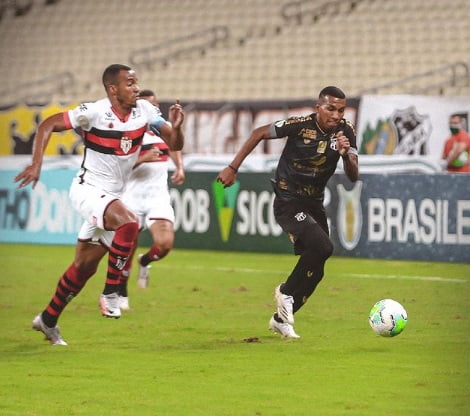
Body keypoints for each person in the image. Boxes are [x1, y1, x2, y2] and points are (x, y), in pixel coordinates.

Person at [14, 64, 184, 345]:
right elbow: (47, 125)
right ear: (113, 89)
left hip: (113, 197)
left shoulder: (145, 111)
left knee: (84, 267)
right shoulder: (93, 112)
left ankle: (47, 319)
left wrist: (176, 128)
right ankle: (111, 293)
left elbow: (175, 143)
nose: (136, 88)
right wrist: (36, 164)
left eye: (136, 82)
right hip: (88, 190)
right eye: (130, 83)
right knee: (129, 222)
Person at [216, 86, 359, 339]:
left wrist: (346, 155)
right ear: (318, 107)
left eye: (341, 110)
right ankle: (285, 291)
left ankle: (280, 320)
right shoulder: (300, 125)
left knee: (318, 268)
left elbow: (353, 175)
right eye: (331, 109)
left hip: (314, 202)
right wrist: (233, 167)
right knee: (323, 247)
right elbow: (259, 133)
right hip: (289, 200)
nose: (336, 115)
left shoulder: (345, 131)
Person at [117, 89, 185, 311]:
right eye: (146, 105)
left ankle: (145, 261)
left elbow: (174, 145)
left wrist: (179, 166)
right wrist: (143, 158)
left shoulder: (161, 129)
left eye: (154, 105)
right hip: (131, 196)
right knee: (127, 247)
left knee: (165, 244)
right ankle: (121, 292)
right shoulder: (125, 131)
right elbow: (116, 168)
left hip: (157, 196)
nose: (151, 109)